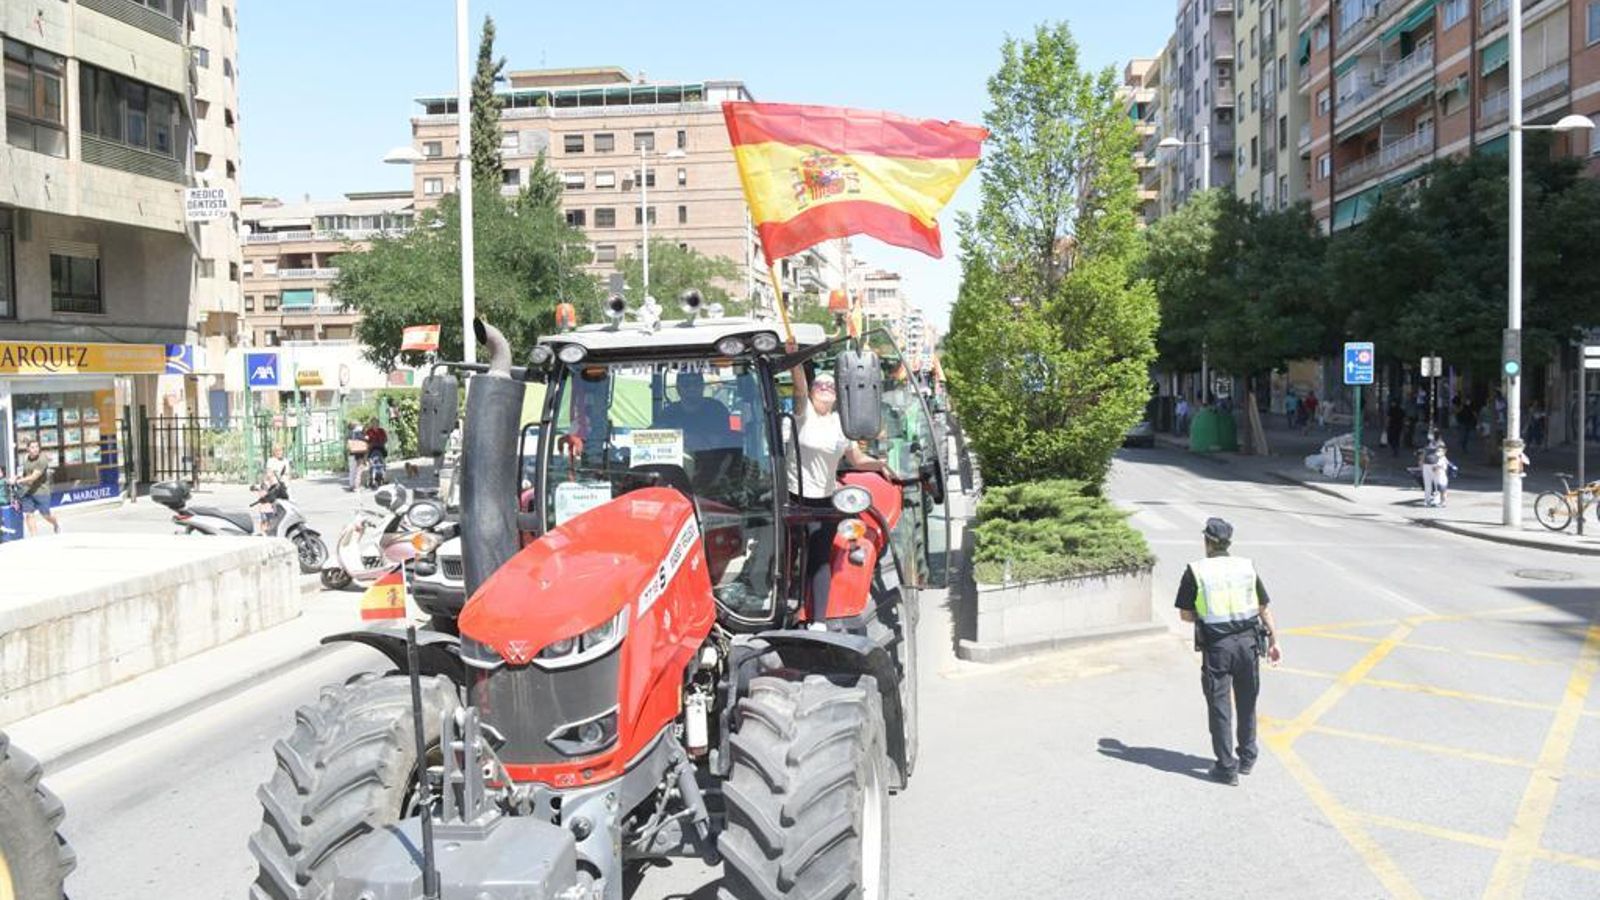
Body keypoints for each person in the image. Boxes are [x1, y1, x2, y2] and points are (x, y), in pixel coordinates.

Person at [785, 342, 890, 619]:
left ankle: (817, 619)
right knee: (789, 557)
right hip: (795, 499)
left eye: (831, 387)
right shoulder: (803, 414)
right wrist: (795, 360)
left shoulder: (840, 425)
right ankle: (787, 610)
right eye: (820, 385)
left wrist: (880, 464)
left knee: (819, 561)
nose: (825, 389)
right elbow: (798, 388)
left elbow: (856, 460)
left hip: (825, 500)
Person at [1174, 518, 1280, 786]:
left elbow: (1186, 615)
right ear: (1228, 542)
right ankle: (1247, 757)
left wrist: (1206, 615)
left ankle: (1226, 768)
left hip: (1218, 647)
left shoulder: (1196, 571)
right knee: (1247, 702)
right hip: (1248, 644)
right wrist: (1275, 641)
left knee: (1220, 705)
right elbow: (1263, 607)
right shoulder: (1246, 567)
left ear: (1207, 541)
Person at [659, 370, 733, 452]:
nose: (692, 388)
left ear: (702, 386)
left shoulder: (716, 410)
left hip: (713, 461)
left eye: (696, 383)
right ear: (678, 388)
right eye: (686, 384)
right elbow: (658, 436)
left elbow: (717, 442)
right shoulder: (669, 412)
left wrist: (686, 439)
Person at [15, 440, 61, 536]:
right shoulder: (26, 458)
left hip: (41, 491)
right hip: (27, 491)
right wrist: (17, 477)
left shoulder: (42, 460)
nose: (35, 449)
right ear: (27, 449)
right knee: (28, 514)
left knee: (45, 514)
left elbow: (33, 477)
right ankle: (34, 538)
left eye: (37, 447)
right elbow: (23, 472)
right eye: (32, 447)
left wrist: (19, 481)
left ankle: (55, 523)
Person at [253, 446, 291, 534]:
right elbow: (269, 473)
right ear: (274, 452)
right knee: (270, 512)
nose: (279, 452)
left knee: (286, 509)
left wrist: (287, 483)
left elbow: (288, 474)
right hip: (275, 488)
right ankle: (267, 531)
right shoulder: (271, 461)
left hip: (285, 488)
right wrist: (271, 483)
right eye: (277, 450)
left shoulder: (285, 461)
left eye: (281, 450)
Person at [1420, 430, 1450, 507]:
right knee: (1428, 484)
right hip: (1427, 465)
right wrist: (1421, 463)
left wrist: (1438, 465)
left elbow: (1442, 454)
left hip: (1435, 465)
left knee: (1437, 484)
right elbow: (1424, 453)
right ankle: (1427, 501)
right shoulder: (1428, 442)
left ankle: (1437, 500)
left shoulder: (1440, 444)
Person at [345, 421, 368, 492]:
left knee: (352, 471)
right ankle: (357, 486)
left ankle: (351, 485)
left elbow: (347, 444)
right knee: (359, 470)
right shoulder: (359, 432)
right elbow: (364, 439)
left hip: (351, 453)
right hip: (359, 453)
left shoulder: (349, 434)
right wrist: (366, 437)